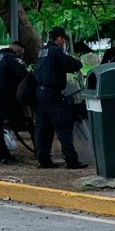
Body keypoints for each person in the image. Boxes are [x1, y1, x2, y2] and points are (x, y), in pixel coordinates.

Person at [34, 27, 87, 169]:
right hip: (53, 94)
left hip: (41, 93)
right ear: (59, 38)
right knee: (63, 126)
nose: (63, 42)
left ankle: (43, 159)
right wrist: (77, 63)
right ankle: (71, 159)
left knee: (44, 128)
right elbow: (71, 64)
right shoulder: (56, 51)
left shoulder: (42, 52)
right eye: (63, 39)